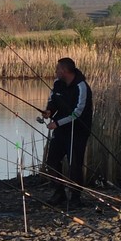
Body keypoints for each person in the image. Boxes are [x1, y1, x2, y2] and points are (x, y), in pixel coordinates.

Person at [39, 57, 93, 207]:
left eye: (57, 69)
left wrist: (57, 123)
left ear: (64, 71)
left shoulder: (82, 87)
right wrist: (49, 111)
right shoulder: (57, 84)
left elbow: (78, 113)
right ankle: (59, 193)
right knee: (51, 161)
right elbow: (52, 101)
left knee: (74, 164)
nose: (55, 72)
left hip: (78, 131)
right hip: (61, 130)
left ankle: (75, 197)